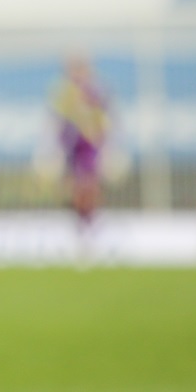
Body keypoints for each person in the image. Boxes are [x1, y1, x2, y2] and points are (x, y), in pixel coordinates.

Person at [51, 52, 109, 258]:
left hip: (89, 146)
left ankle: (91, 228)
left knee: (89, 188)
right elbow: (58, 120)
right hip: (73, 148)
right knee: (76, 190)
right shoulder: (64, 92)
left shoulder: (95, 90)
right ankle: (81, 230)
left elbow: (103, 119)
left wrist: (103, 140)